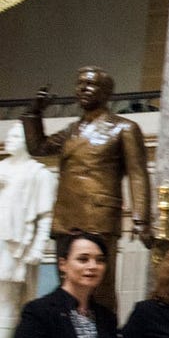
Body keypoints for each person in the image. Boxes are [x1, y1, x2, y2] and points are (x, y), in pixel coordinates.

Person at [21, 66, 154, 313]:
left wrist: (141, 219)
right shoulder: (73, 130)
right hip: (66, 218)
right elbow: (38, 148)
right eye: (79, 84)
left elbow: (138, 174)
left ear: (106, 93)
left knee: (100, 290)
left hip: (99, 218)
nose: (82, 90)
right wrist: (34, 113)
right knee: (67, 287)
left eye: (90, 85)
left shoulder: (123, 128)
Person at [0, 123, 56, 338]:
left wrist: (38, 247)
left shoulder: (39, 173)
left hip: (14, 246)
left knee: (9, 303)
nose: (8, 139)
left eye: (15, 136)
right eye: (8, 135)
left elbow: (45, 216)